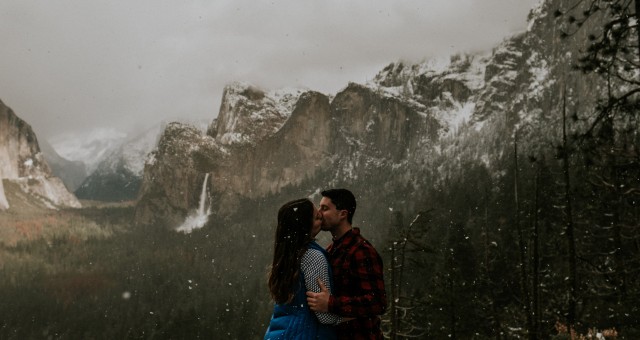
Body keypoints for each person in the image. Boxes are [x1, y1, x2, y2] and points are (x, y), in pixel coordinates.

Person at [306, 188, 387, 339]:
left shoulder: (361, 250)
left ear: (343, 214)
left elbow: (378, 302)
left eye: (325, 208)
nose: (319, 213)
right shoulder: (331, 249)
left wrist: (331, 303)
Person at [264, 198, 347, 340]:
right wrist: (354, 315)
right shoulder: (312, 257)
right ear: (304, 226)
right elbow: (324, 316)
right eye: (317, 218)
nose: (321, 217)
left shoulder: (286, 256)